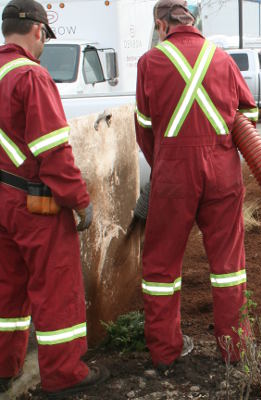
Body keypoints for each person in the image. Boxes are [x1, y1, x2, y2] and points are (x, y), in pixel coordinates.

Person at [135, 0, 259, 367]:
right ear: (192, 22)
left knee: (161, 267)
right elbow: (249, 116)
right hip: (223, 175)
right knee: (228, 266)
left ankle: (164, 354)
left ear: (162, 26)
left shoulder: (150, 63)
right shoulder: (221, 58)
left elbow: (144, 128)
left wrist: (165, 167)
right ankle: (235, 350)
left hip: (173, 176)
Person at [0, 0, 107, 396]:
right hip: (35, 205)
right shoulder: (32, 77)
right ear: (38, 32)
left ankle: (3, 367)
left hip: (2, 201)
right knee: (56, 289)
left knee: (6, 289)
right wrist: (79, 200)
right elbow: (55, 156)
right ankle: (64, 375)